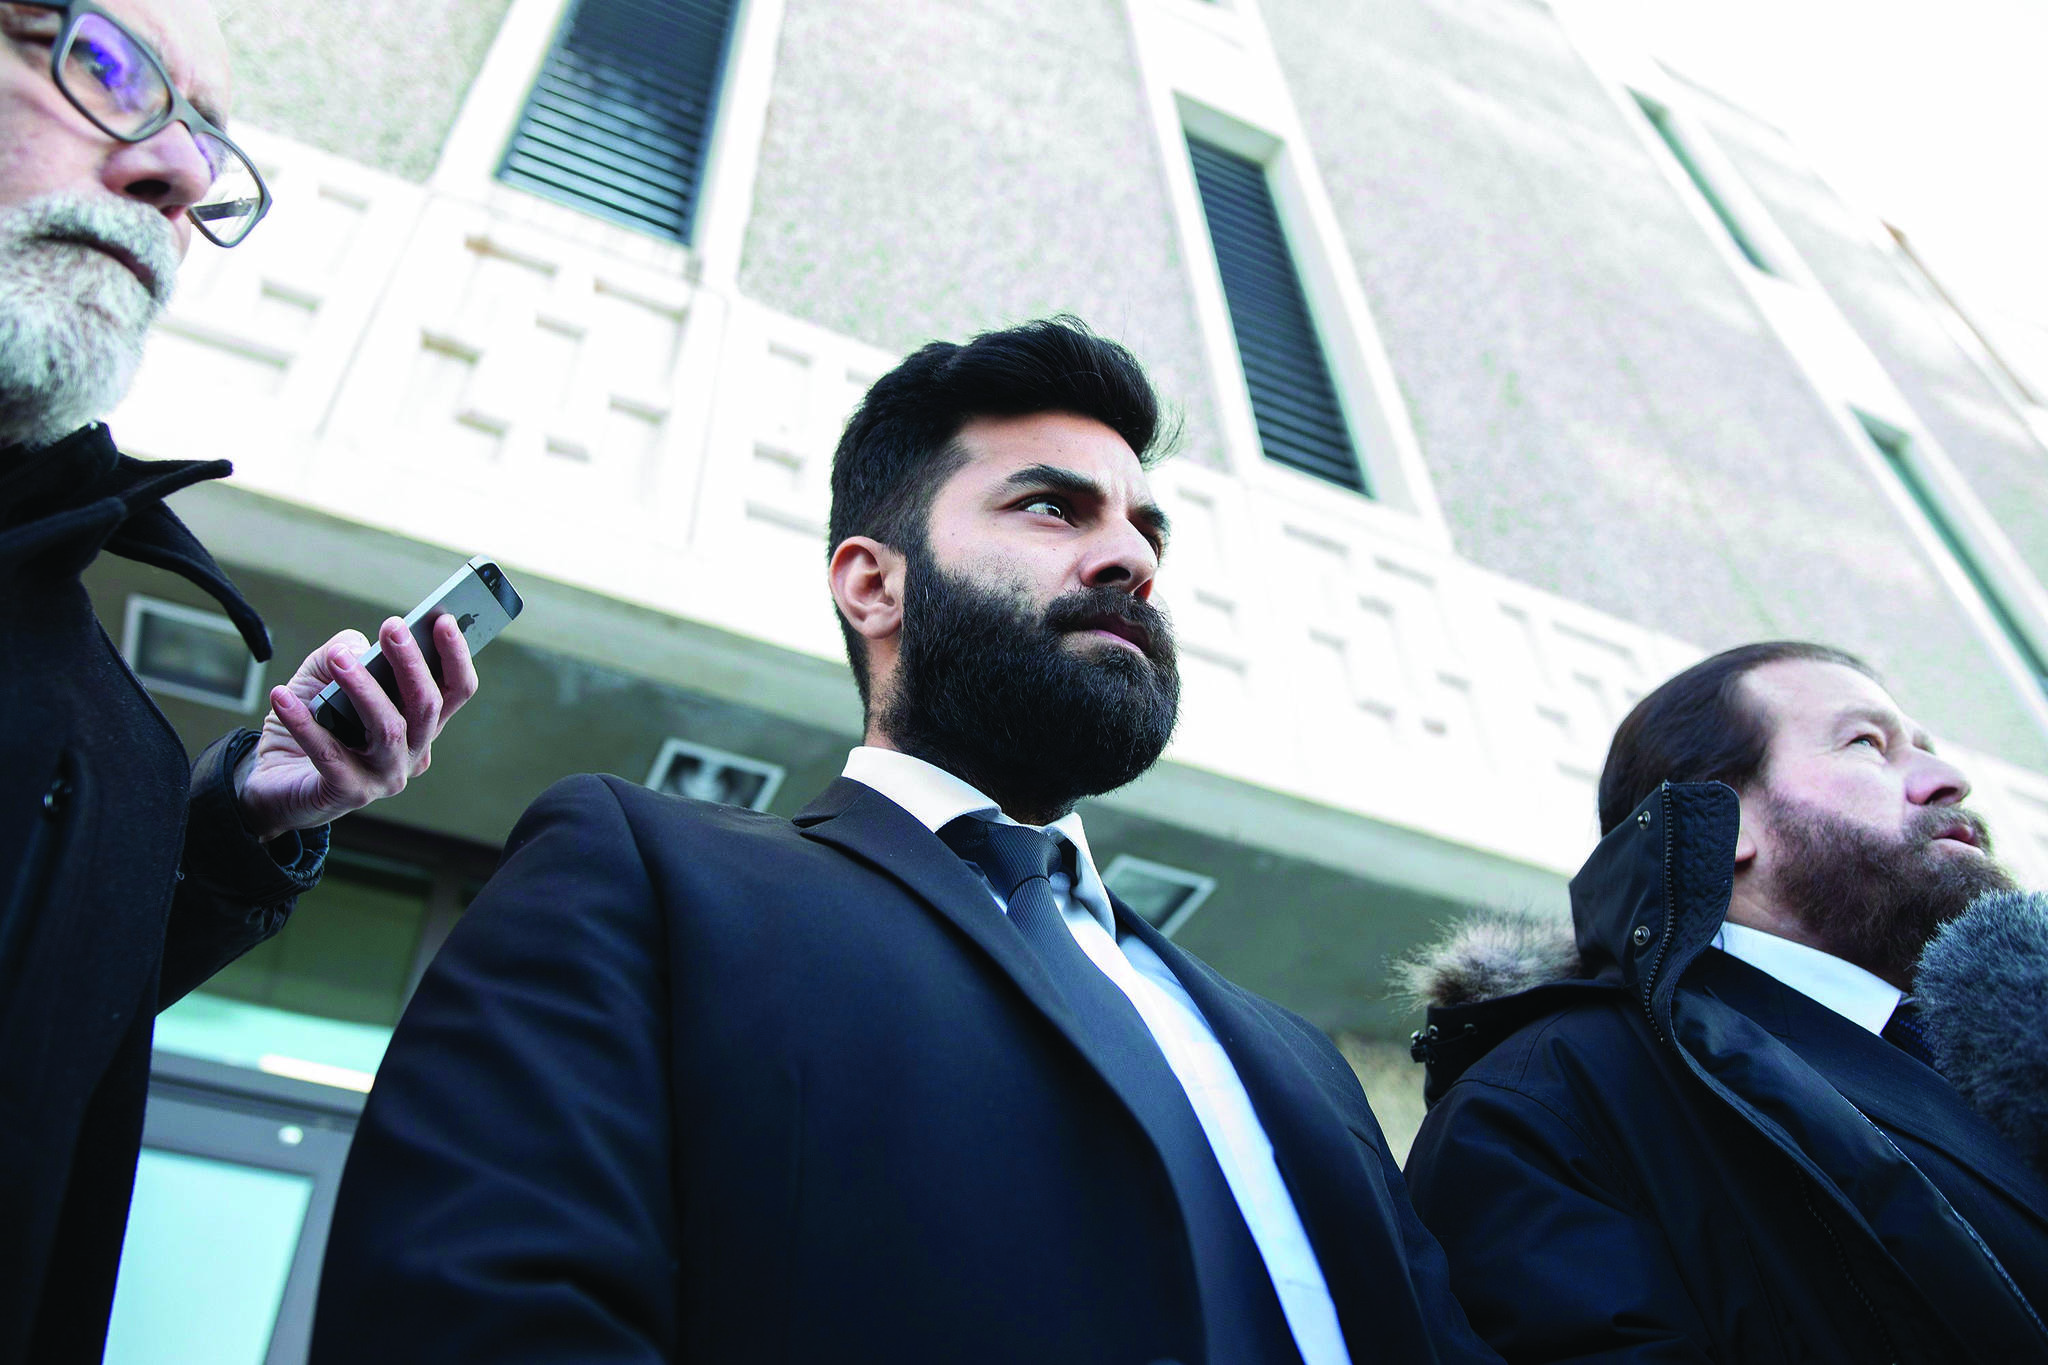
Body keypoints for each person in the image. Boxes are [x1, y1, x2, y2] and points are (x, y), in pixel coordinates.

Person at [311, 319, 1494, 1365]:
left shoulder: (1299, 1063)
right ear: (872, 584)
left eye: (1146, 532)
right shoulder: (643, 879)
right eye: (1051, 506)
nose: (1130, 558)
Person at [0, 2, 478, 1360]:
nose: (180, 173)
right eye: (100, 67)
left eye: (208, 138)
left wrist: (239, 823)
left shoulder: (113, 730)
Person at [1402, 641, 2048, 1363]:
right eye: (1868, 743)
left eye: (1929, 749)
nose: (1949, 780)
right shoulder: (1545, 1100)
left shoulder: (2013, 1054)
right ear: (1722, 822)